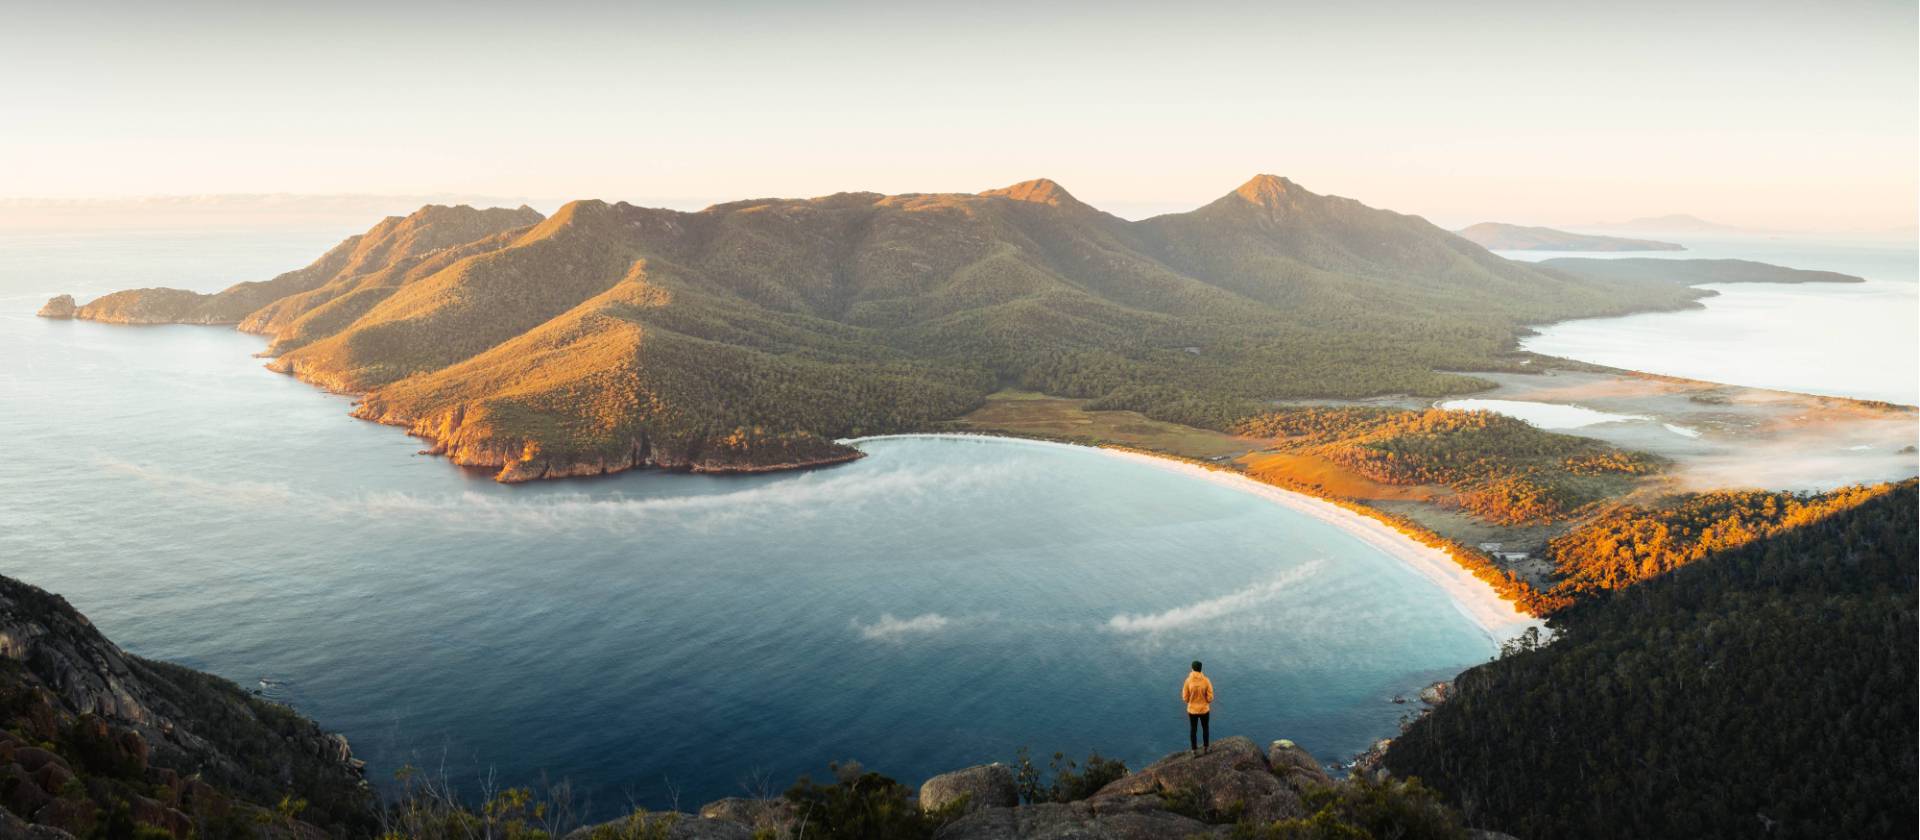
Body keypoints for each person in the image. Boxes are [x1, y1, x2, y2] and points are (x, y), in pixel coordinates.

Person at [1183, 660, 1213, 755]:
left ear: (1192, 669)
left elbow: (1185, 697)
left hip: (1192, 710)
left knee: (1193, 730)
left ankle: (1194, 751)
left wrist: (1190, 701)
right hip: (1204, 710)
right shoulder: (1206, 680)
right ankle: (1206, 748)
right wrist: (1206, 701)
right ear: (1201, 669)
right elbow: (1210, 697)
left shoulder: (1188, 681)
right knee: (1205, 729)